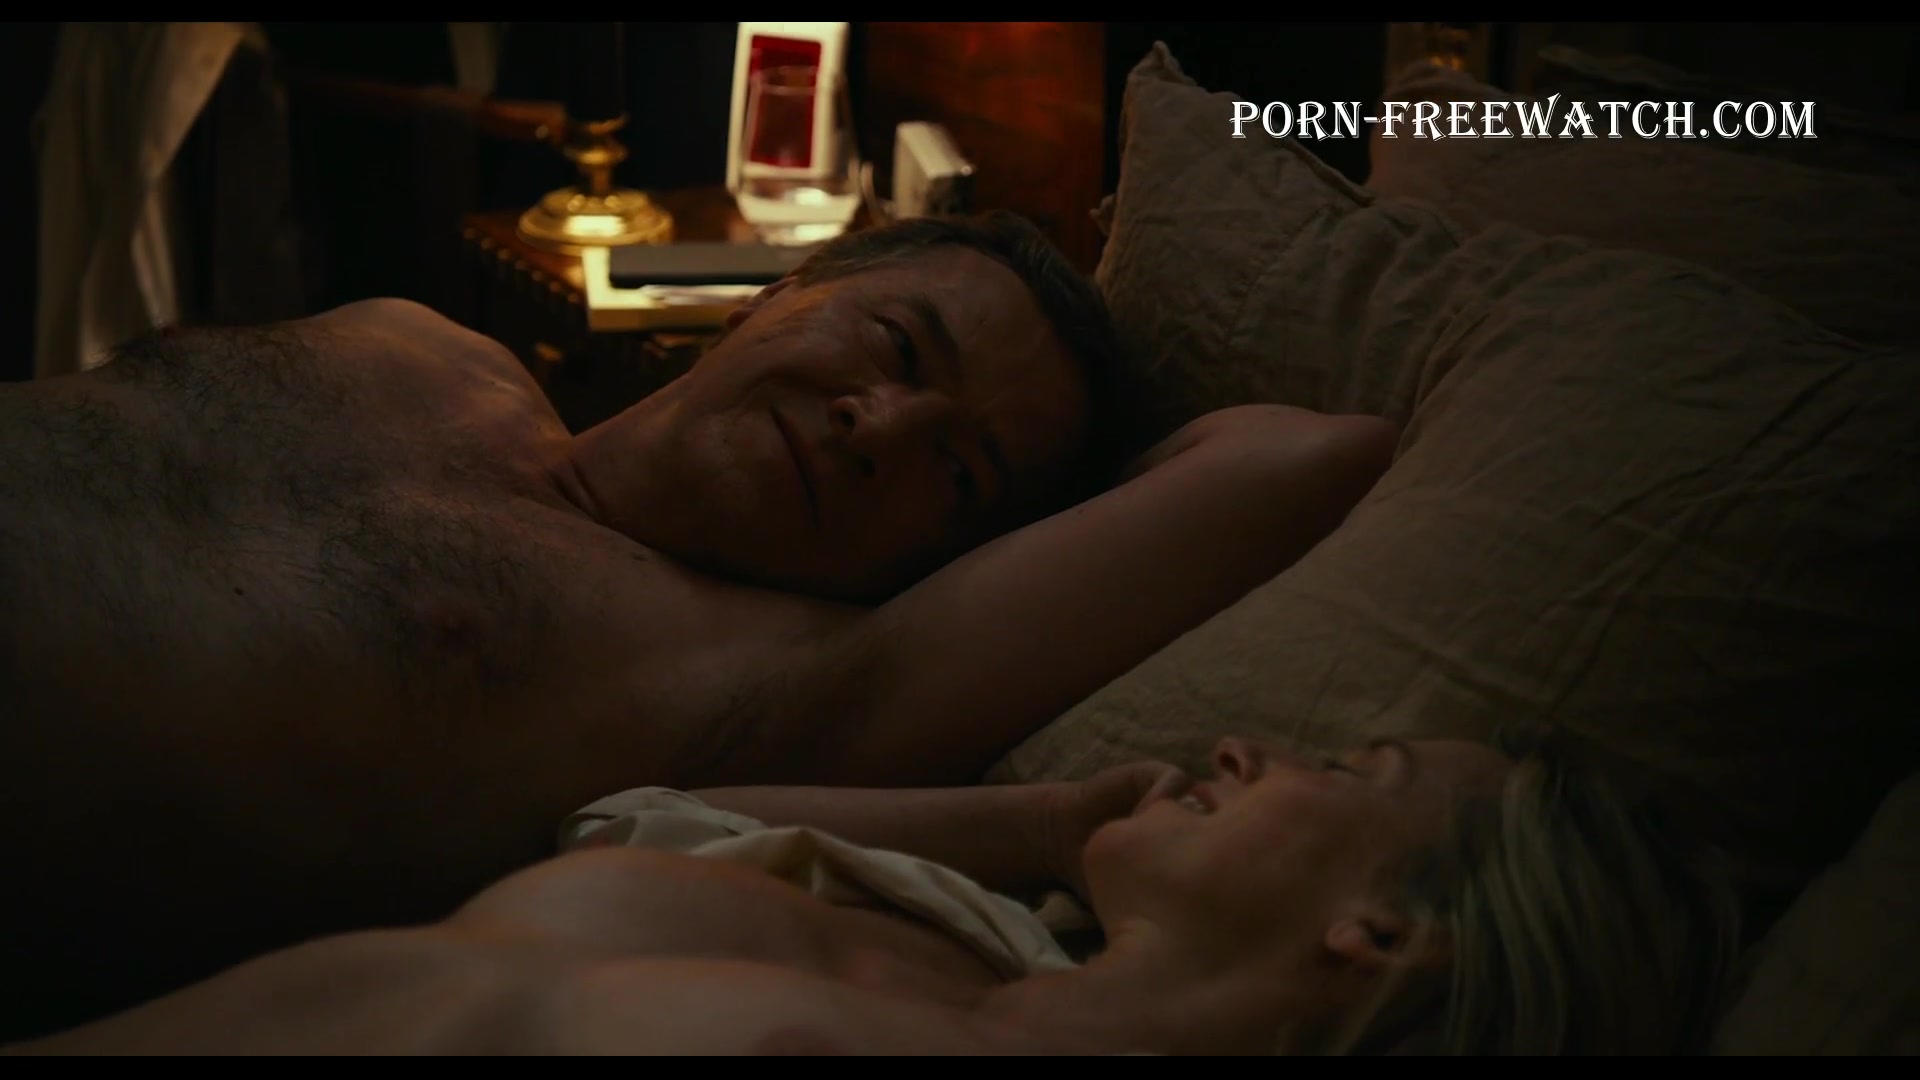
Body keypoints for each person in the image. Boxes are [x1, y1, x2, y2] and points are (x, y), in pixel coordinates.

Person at [0, 211, 1401, 1039]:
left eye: (959, 472)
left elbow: (1299, 458)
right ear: (787, 287)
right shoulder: (415, 342)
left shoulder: (765, 678)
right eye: (897, 347)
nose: (881, 425)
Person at [5, 730, 1745, 1056]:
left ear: (1391, 933)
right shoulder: (970, 937)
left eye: (1346, 770)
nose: (1244, 743)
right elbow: (630, 817)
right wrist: (1044, 822)